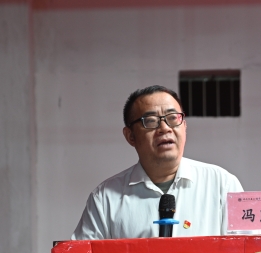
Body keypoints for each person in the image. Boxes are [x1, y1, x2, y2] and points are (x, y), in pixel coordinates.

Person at [71, 85, 243, 240]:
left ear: (184, 126)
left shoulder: (223, 185)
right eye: (151, 121)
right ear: (130, 136)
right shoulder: (105, 198)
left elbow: (249, 251)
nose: (165, 128)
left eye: (173, 118)